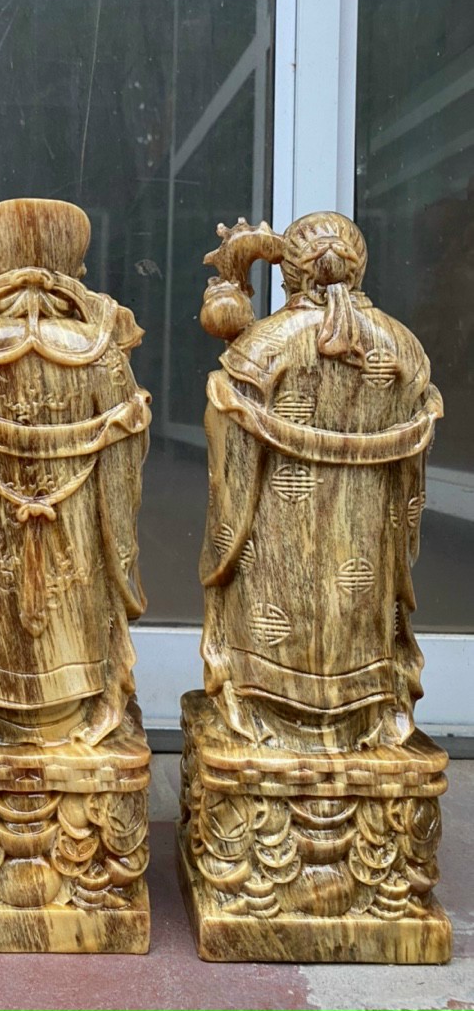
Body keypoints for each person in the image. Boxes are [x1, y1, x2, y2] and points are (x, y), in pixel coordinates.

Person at [199, 212, 443, 750]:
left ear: (290, 271)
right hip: (366, 524)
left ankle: (266, 701)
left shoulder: (264, 345)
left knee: (273, 603)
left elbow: (231, 440)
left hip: (280, 531)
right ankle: (365, 709)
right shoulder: (402, 347)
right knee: (358, 604)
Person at [0, 198, 151, 746]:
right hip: (75, 538)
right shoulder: (103, 355)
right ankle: (80, 703)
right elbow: (125, 463)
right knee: (78, 592)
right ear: (78, 265)